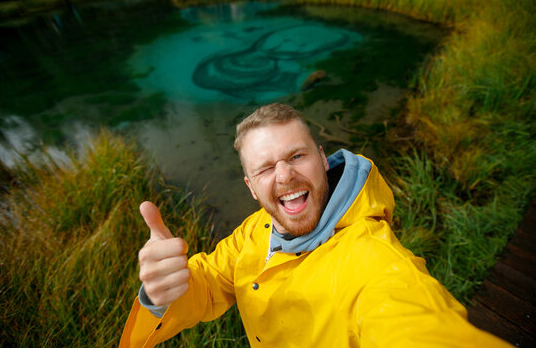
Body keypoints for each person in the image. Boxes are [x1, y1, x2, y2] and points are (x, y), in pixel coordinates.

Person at [120, 103, 511, 347]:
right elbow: (208, 282)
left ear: (323, 158)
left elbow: (414, 324)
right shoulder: (255, 231)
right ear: (252, 188)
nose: (285, 175)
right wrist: (161, 297)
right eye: (266, 168)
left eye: (296, 156)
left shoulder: (374, 261)